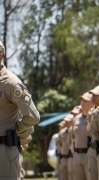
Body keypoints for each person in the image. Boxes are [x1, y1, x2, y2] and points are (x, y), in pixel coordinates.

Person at [0, 41, 40, 179]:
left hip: (4, 151)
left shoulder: (11, 83)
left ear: (0, 56)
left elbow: (33, 117)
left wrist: (17, 132)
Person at [72, 92, 94, 180]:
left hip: (89, 154)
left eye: (85, 101)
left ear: (92, 103)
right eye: (82, 100)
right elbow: (73, 137)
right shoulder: (76, 118)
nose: (82, 103)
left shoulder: (94, 116)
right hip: (77, 154)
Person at [87, 85, 99, 180]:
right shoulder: (91, 112)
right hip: (92, 147)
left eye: (96, 95)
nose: (93, 97)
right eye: (92, 95)